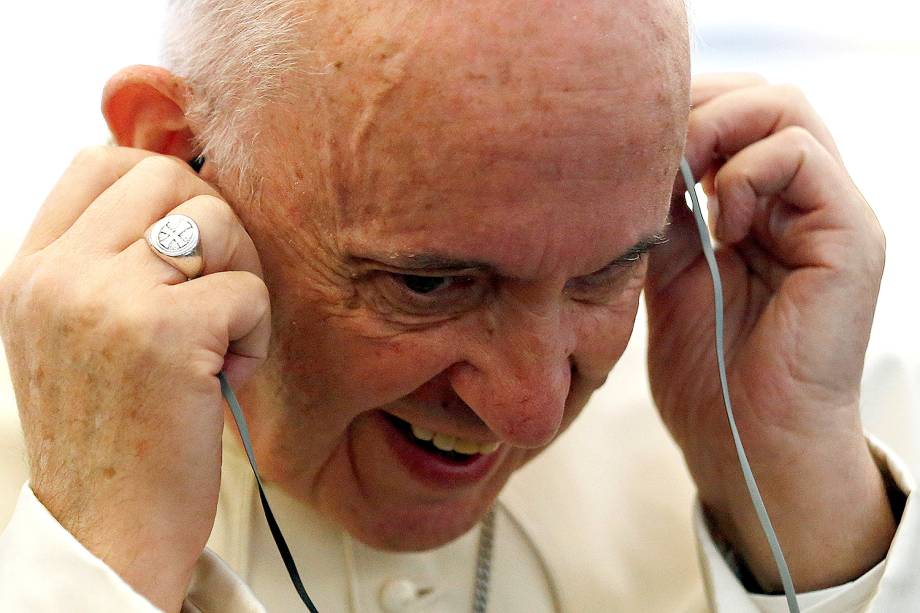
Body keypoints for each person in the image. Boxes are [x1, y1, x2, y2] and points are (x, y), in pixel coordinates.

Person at [0, 0, 916, 611]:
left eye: (607, 272)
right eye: (428, 284)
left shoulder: (800, 413)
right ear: (178, 151)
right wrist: (91, 560)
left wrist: (808, 515)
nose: (533, 408)